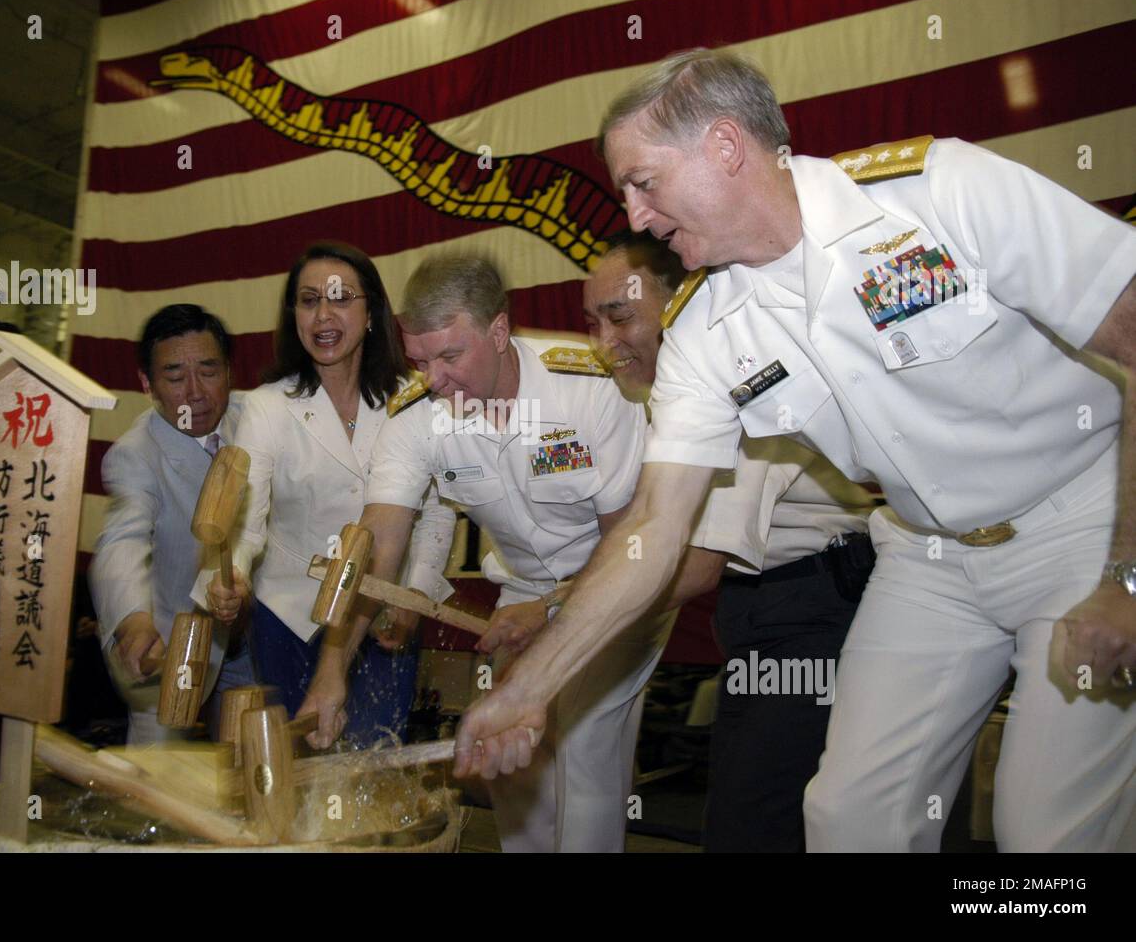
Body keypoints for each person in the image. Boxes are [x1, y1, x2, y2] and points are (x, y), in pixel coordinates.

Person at [455, 48, 1136, 853]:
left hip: (1082, 525)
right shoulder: (704, 331)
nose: (635, 217)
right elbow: (656, 526)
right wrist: (530, 688)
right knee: (848, 821)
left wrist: (1127, 572)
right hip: (927, 557)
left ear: (724, 147)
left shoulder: (938, 193)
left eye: (643, 182)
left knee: (1045, 834)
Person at [306, 252, 672, 852]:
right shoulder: (415, 417)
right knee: (509, 757)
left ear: (499, 331)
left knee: (584, 747)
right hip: (524, 591)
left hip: (618, 583)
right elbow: (375, 553)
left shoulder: (591, 388)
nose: (436, 379)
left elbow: (628, 541)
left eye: (452, 356)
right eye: (421, 360)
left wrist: (552, 610)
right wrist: (331, 672)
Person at [584, 230, 877, 851]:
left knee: (757, 820)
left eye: (620, 317)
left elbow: (693, 568)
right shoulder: (667, 396)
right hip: (758, 609)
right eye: (594, 322)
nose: (603, 344)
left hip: (813, 608)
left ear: (681, 302)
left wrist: (558, 621)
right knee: (755, 810)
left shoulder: (738, 374)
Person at [199, 242, 455, 747]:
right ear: (293, 314)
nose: (323, 314)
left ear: (372, 312)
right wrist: (233, 576)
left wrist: (416, 594)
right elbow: (246, 517)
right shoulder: (268, 406)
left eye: (340, 298)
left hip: (384, 614)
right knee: (292, 769)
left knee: (373, 765)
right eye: (309, 299)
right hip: (290, 616)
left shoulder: (416, 399)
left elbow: (436, 513)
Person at [89, 303, 255, 745]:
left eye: (209, 371)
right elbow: (121, 540)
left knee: (255, 768)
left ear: (230, 373)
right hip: (170, 640)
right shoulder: (135, 454)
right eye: (176, 377)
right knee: (156, 780)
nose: (196, 393)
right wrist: (132, 620)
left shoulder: (256, 418)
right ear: (147, 384)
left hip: (254, 630)